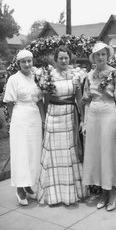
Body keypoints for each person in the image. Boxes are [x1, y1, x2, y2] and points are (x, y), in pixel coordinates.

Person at [36, 45, 88, 206]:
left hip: (70, 117)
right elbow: (44, 100)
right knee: (53, 153)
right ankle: (53, 194)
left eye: (66, 58)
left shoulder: (76, 75)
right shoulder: (48, 76)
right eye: (61, 58)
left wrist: (82, 119)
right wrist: (45, 120)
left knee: (69, 152)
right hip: (53, 116)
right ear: (56, 59)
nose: (64, 61)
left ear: (70, 59)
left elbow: (79, 98)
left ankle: (71, 193)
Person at [82, 42, 116, 211]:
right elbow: (87, 101)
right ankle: (103, 192)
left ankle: (113, 192)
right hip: (94, 116)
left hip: (109, 114)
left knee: (109, 154)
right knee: (97, 155)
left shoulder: (115, 74)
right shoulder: (89, 76)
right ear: (93, 58)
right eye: (97, 55)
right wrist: (85, 122)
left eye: (103, 54)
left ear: (107, 56)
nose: (100, 57)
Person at [3, 49, 44, 206]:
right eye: (23, 61)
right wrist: (14, 122)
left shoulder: (37, 78)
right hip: (20, 117)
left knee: (33, 152)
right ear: (18, 63)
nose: (27, 64)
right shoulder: (14, 79)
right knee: (21, 153)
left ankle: (28, 185)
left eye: (29, 61)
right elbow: (9, 102)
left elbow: (40, 100)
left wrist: (42, 118)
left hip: (34, 118)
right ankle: (20, 188)